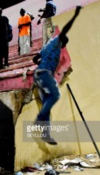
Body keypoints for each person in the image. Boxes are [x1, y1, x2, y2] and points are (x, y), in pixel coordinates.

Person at [25, 5, 82, 145]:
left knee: (47, 106)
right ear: (62, 42)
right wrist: (75, 16)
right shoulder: (57, 42)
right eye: (64, 46)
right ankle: (39, 120)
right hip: (44, 74)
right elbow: (65, 31)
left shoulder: (46, 47)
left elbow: (34, 59)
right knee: (55, 95)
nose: (63, 48)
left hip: (39, 74)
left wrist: (44, 62)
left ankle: (45, 133)